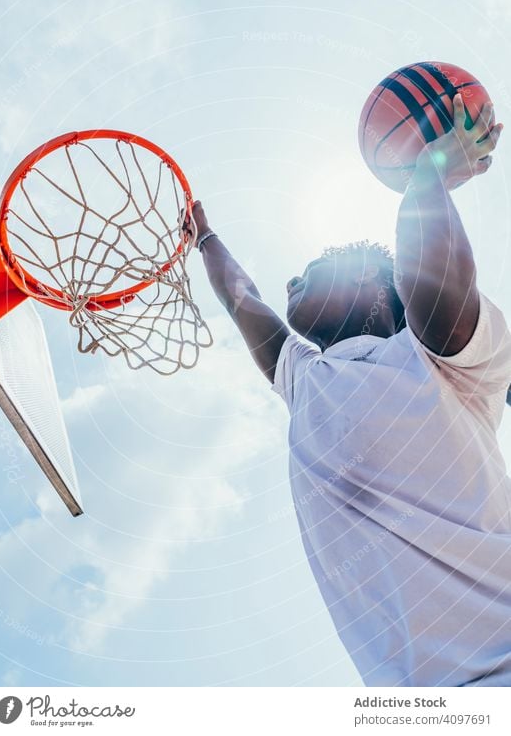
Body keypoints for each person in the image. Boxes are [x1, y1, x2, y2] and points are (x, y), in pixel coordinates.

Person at [185, 94, 511, 687]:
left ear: (367, 276)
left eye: (312, 269)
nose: (290, 279)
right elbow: (242, 300)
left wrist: (429, 171)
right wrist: (204, 240)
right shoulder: (305, 380)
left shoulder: (442, 357)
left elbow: (432, 286)